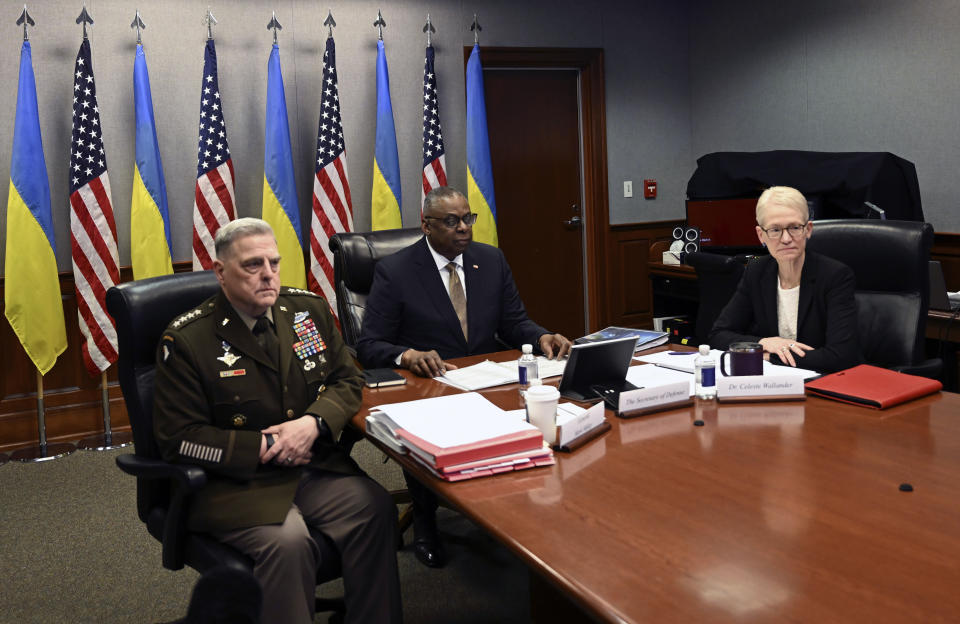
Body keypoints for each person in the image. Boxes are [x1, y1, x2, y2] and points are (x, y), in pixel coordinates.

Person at [153, 218, 402, 624]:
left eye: (274, 262)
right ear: (220, 272)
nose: (268, 274)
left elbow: (348, 380)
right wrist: (265, 447)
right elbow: (179, 439)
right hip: (235, 483)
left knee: (374, 509)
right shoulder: (187, 340)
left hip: (313, 467)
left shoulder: (307, 310)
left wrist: (314, 424)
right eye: (253, 265)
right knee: (288, 543)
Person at [357, 186, 572, 568]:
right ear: (426, 225)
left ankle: (513, 514)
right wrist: (407, 354)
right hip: (430, 387)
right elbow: (370, 344)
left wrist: (541, 336)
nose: (464, 229)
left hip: (490, 379)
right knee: (428, 431)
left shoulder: (490, 260)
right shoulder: (396, 271)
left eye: (468, 219)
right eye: (452, 221)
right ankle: (425, 521)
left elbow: (514, 321)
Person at [710, 186, 860, 373]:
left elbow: (840, 357)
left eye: (795, 227)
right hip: (774, 382)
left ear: (808, 230)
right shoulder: (756, 271)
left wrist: (768, 356)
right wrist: (765, 343)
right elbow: (719, 335)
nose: (786, 238)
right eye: (775, 230)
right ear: (761, 235)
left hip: (824, 383)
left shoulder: (835, 276)